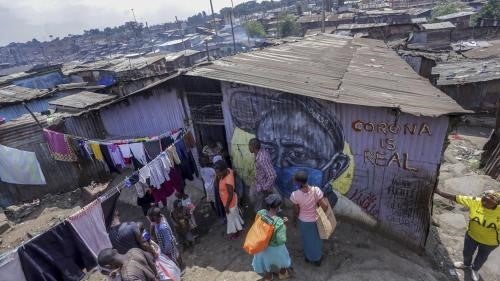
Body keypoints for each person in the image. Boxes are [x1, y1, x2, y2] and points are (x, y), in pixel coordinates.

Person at [434, 188, 500, 281]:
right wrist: (438, 192)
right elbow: (456, 197)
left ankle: (475, 269)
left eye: (488, 201)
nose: (483, 203)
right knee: (467, 253)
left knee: (481, 257)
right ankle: (466, 264)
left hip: (489, 243)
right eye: (483, 199)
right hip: (471, 236)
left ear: (497, 203)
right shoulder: (476, 202)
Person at [290, 171, 329, 266]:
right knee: (317, 240)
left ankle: (308, 257)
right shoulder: (316, 190)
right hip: (315, 220)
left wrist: (294, 220)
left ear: (298, 183)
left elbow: (296, 211)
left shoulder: (295, 195)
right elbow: (325, 206)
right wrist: (318, 214)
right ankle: (317, 259)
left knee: (307, 239)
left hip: (303, 221)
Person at [252, 194, 292, 281]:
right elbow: (281, 240)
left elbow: (257, 225)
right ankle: (282, 274)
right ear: (278, 207)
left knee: (266, 265)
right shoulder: (279, 222)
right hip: (274, 248)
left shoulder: (260, 213)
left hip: (262, 246)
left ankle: (268, 278)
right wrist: (285, 225)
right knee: (282, 261)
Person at [214, 159, 244, 240]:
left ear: (223, 170)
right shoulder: (228, 171)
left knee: (232, 219)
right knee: (235, 216)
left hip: (230, 203)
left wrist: (227, 206)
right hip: (231, 201)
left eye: (218, 172)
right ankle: (240, 227)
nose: (217, 174)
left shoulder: (227, 180)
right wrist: (218, 177)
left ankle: (236, 233)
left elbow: (230, 194)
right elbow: (234, 172)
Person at [249, 138, 277, 212]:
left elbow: (272, 175)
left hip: (262, 186)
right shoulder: (258, 153)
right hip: (258, 183)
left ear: (253, 146)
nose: (248, 147)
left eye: (249, 146)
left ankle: (261, 220)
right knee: (253, 198)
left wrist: (264, 188)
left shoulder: (262, 158)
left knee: (259, 207)